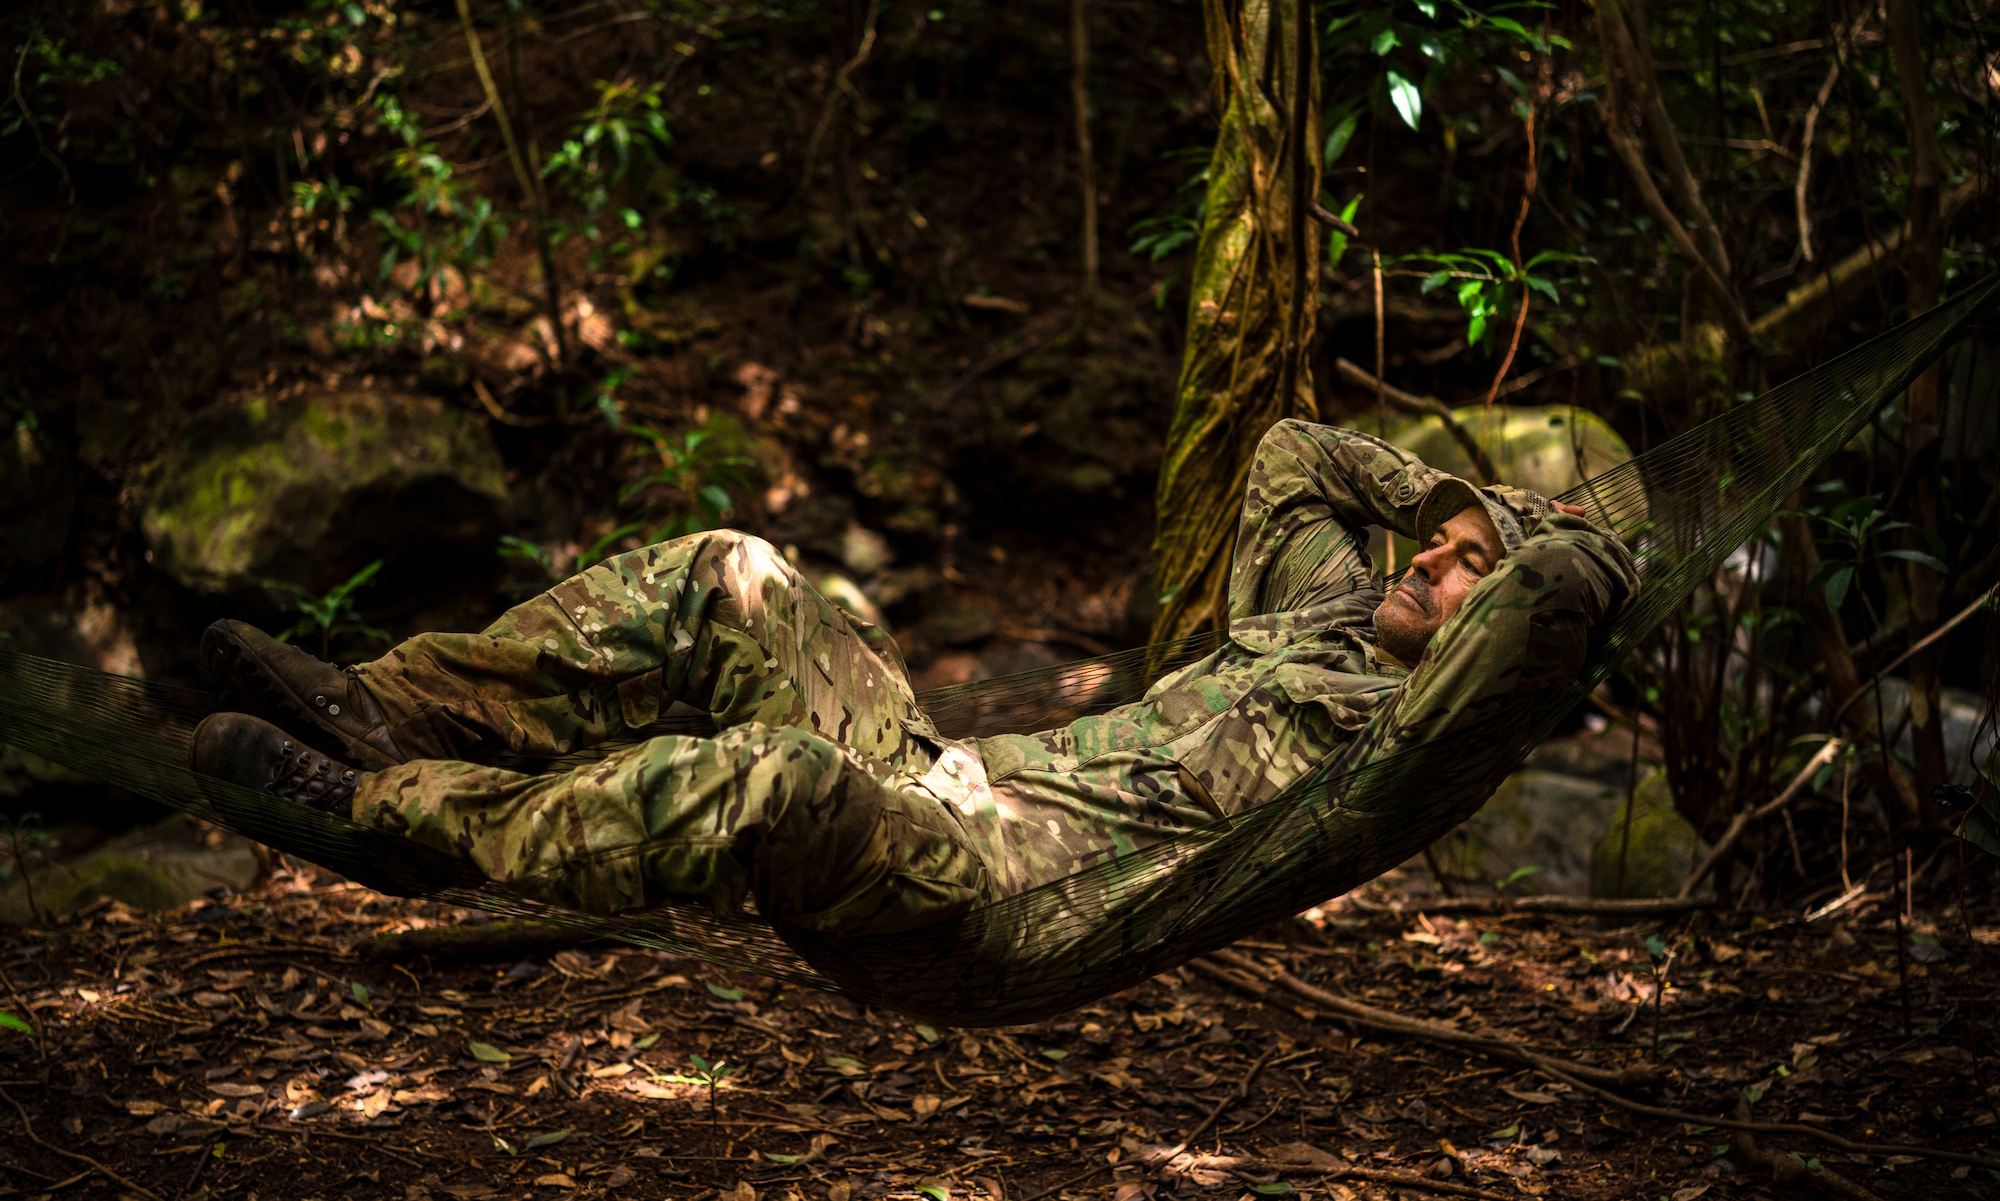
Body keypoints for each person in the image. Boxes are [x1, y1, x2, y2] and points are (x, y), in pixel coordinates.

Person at [190, 420, 1638, 936]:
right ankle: (395, 705)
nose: (1423, 568)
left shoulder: (1403, 750)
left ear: (1496, 629)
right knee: (731, 568)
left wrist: (1529, 552)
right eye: (1432, 546)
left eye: (1460, 574)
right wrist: (1452, 496)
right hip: (942, 785)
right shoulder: (1326, 611)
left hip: (996, 900)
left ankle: (391, 809)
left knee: (777, 778)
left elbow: (1558, 596)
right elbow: (1288, 452)